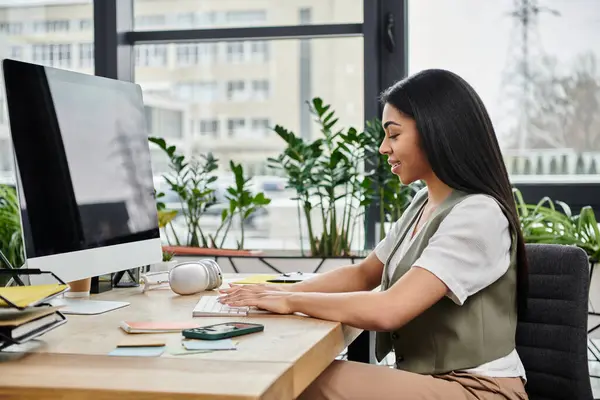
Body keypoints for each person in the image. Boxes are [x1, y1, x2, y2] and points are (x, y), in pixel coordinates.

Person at [219, 68, 529, 400]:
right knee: (293, 375)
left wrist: (290, 300)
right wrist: (278, 294)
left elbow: (389, 309)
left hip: (477, 389)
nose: (383, 148)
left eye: (393, 135)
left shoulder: (478, 214)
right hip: (429, 379)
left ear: (437, 132)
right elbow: (363, 273)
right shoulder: (424, 202)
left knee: (293, 381)